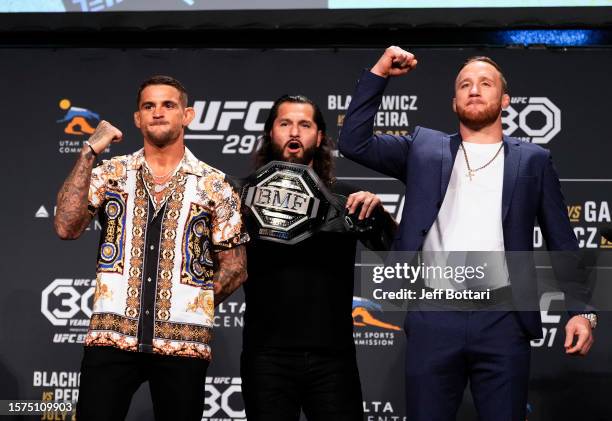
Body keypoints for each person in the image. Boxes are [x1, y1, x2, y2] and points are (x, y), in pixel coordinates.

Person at [338, 47, 596, 421]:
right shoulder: (424, 150)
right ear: (455, 102)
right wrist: (380, 73)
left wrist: (581, 311)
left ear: (504, 100)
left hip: (503, 319)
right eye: (465, 85)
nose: (474, 89)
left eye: (485, 83)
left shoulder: (533, 160)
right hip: (433, 314)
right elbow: (353, 143)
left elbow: (562, 240)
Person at [54, 75, 249, 421]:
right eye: (149, 106)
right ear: (137, 119)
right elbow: (67, 227)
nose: (158, 112)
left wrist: (192, 305)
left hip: (183, 345)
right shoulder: (110, 173)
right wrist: (89, 151)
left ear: (187, 115)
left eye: (168, 105)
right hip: (111, 338)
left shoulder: (215, 185)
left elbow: (235, 267)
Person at [239, 94, 394, 421]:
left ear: (320, 136)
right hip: (266, 356)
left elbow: (398, 252)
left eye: (304, 124)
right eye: (285, 123)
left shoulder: (348, 200)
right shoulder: (241, 198)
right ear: (270, 133)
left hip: (332, 358)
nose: (294, 132)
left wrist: (379, 214)